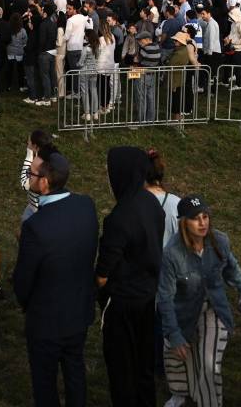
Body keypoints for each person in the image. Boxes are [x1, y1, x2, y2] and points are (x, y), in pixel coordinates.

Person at [12, 148, 99, 407]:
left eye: (32, 174)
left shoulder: (35, 227)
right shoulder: (86, 205)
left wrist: (28, 305)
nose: (29, 178)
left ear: (45, 182)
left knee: (45, 382)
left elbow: (23, 281)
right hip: (79, 311)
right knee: (75, 373)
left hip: (45, 320)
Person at [158, 194, 241, 407]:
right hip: (183, 310)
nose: (202, 223)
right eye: (195, 218)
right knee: (178, 353)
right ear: (183, 222)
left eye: (205, 216)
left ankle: (209, 402)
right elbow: (165, 297)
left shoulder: (220, 241)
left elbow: (231, 267)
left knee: (209, 362)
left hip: (214, 309)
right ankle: (181, 393)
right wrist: (174, 333)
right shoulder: (172, 254)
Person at [95, 146, 164, 407]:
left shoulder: (119, 218)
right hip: (147, 297)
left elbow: (103, 272)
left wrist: (100, 289)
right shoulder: (151, 203)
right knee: (143, 366)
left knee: (122, 371)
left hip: (122, 305)